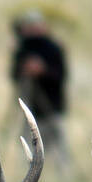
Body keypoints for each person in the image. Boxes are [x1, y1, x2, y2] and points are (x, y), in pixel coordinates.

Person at [11, 11, 67, 159]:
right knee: (28, 149)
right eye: (30, 26)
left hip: (51, 107)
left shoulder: (53, 48)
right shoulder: (23, 49)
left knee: (56, 148)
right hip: (29, 108)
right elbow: (14, 75)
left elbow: (61, 75)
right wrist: (25, 70)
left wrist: (43, 71)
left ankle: (58, 179)